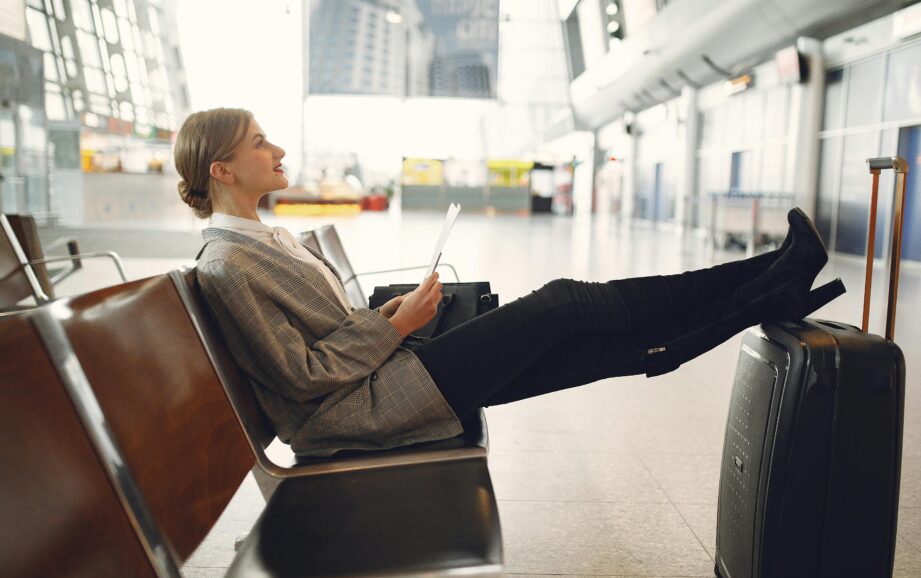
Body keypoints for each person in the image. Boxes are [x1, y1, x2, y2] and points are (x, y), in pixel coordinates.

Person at [175, 108, 845, 457]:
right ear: (221, 171)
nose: (277, 151)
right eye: (259, 143)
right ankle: (771, 277)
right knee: (563, 304)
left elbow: (326, 336)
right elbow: (299, 376)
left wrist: (392, 317)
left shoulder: (261, 241)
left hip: (383, 377)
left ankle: (771, 279)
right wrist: (394, 324)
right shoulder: (228, 266)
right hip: (360, 411)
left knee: (584, 349)